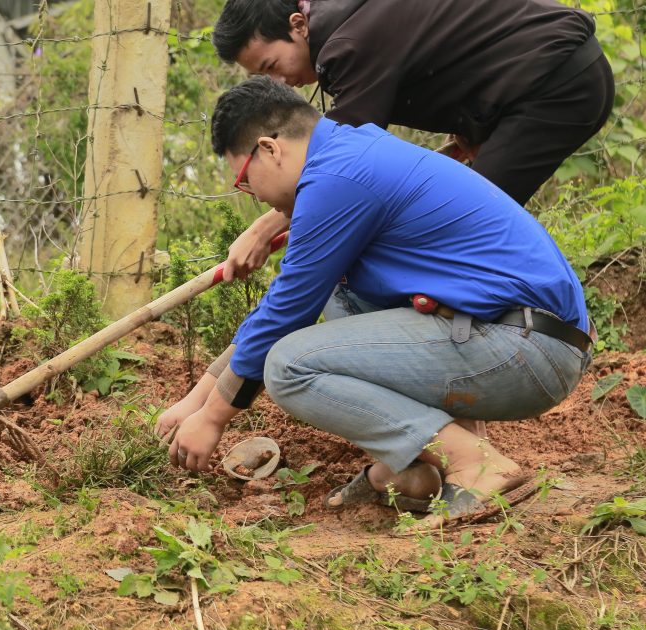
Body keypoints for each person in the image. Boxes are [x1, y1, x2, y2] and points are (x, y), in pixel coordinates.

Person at [156, 77, 592, 527]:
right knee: (339, 293)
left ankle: (474, 462)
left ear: (270, 149)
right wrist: (196, 399)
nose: (256, 197)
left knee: (289, 367)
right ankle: (419, 470)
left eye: (245, 180)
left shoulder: (337, 179)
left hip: (525, 349)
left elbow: (286, 314)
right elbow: (284, 305)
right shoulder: (350, 155)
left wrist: (212, 418)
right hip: (521, 338)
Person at [213, 0, 614, 282]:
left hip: (555, 86)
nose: (280, 83)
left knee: (466, 229)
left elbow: (336, 167)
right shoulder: (349, 16)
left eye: (272, 66)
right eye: (263, 78)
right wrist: (476, 128)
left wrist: (263, 229)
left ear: (298, 25)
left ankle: (533, 337)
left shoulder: (348, 42)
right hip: (557, 75)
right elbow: (455, 42)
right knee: (461, 225)